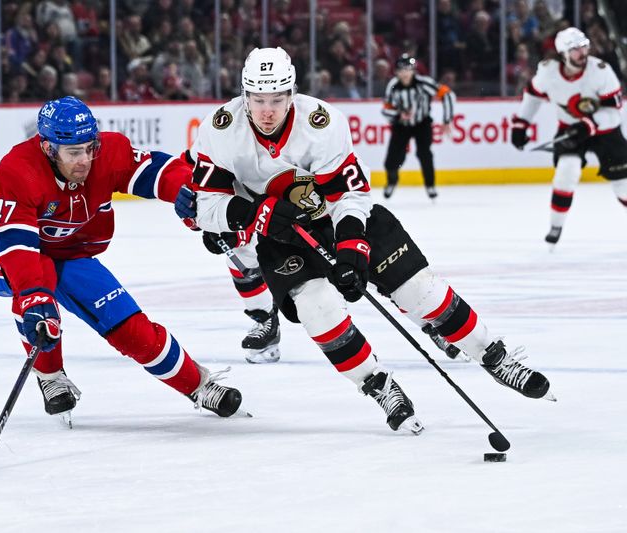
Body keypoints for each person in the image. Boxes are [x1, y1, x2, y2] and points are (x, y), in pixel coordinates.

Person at [175, 47, 554, 435]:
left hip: (341, 219)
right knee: (317, 309)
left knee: (421, 292)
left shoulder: (321, 123)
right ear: (244, 96)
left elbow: (349, 194)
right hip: (281, 237)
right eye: (258, 100)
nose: (267, 110)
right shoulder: (220, 130)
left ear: (292, 94)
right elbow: (207, 207)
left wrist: (352, 248)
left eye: (276, 99)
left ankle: (494, 356)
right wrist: (255, 215)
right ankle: (379, 386)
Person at [0, 96, 244, 422]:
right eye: (73, 152)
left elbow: (157, 170)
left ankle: (199, 386)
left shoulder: (108, 153)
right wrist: (33, 298)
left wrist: (189, 192)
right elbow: (19, 250)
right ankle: (51, 377)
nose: (84, 159)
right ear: (48, 149)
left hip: (68, 252)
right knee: (38, 290)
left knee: (130, 328)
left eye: (89, 148)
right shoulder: (18, 171)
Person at [510, 27, 627, 245]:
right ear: (563, 53)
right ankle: (556, 226)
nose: (583, 53)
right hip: (570, 128)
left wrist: (589, 125)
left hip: (606, 131)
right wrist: (520, 124)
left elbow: (613, 113)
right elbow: (532, 96)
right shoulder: (548, 72)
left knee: (623, 185)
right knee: (566, 172)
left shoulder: (601, 71)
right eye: (575, 49)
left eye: (585, 47)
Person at [381, 54, 456, 200]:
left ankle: (430, 185)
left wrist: (447, 120)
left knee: (424, 154)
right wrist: (398, 115)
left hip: (422, 123)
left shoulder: (424, 83)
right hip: (401, 125)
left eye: (408, 70)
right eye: (401, 70)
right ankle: (392, 181)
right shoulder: (393, 86)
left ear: (413, 70)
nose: (405, 73)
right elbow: (386, 109)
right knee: (392, 159)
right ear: (396, 72)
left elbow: (447, 95)